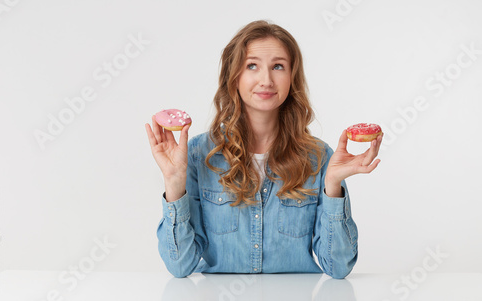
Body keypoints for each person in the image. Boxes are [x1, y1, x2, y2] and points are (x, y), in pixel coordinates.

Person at [145, 20, 383, 279]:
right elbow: (180, 266)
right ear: (233, 76)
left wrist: (334, 185)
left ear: (292, 77)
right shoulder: (198, 154)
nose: (266, 80)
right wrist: (174, 183)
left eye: (278, 66)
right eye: (252, 66)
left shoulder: (319, 157)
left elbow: (338, 268)